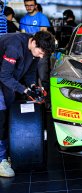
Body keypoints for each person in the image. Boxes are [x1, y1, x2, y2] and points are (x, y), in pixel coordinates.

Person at [0, 31, 55, 177]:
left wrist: (32, 86)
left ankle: (9, 151)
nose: (42, 56)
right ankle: (1, 160)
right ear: (34, 43)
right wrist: (24, 90)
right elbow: (4, 76)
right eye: (41, 52)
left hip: (7, 78)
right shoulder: (14, 46)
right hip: (3, 76)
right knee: (2, 114)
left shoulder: (34, 49)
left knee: (11, 110)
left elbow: (30, 72)